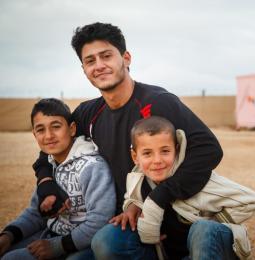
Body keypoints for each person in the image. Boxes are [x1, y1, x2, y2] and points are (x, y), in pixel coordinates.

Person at [32, 22, 224, 258]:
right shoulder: (88, 113)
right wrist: (46, 183)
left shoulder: (159, 102)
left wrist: (157, 197)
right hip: (131, 227)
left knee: (203, 240)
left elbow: (209, 150)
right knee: (101, 244)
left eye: (106, 56)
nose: (99, 65)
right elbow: (53, 144)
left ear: (126, 58)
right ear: (84, 69)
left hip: (182, 219)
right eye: (90, 61)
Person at [108, 116, 255, 259]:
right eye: (147, 153)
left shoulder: (196, 181)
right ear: (135, 157)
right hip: (172, 252)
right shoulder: (137, 177)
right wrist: (130, 207)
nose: (157, 160)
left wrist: (213, 221)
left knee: (203, 229)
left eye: (165, 151)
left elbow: (251, 201)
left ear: (176, 150)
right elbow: (131, 196)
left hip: (212, 248)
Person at [0, 98, 115, 259]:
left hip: (81, 244)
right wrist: (8, 235)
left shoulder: (92, 167)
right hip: (50, 234)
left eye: (56, 126)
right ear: (34, 134)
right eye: (40, 130)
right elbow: (36, 214)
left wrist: (57, 246)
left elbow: (100, 220)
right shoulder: (50, 166)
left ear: (72, 129)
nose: (48, 136)